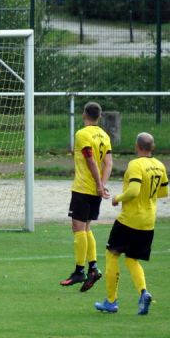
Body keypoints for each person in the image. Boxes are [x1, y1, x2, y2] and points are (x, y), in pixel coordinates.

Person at [95, 132, 169, 315]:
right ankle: (143, 292)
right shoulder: (160, 165)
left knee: (112, 254)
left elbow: (134, 190)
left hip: (129, 219)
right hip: (148, 221)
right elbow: (163, 193)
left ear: (137, 146)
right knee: (131, 259)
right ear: (152, 147)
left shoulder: (136, 165)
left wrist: (118, 198)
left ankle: (111, 301)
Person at [60, 102, 113, 291]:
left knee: (77, 228)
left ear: (84, 115)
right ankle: (93, 268)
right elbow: (108, 163)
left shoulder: (82, 134)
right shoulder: (104, 136)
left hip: (83, 188)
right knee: (87, 228)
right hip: (95, 191)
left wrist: (98, 185)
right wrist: (102, 185)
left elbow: (90, 160)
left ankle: (79, 271)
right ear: (99, 116)